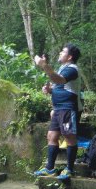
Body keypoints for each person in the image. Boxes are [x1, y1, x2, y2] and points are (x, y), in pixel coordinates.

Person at [34, 43, 81, 180]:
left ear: (70, 56)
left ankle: (70, 169)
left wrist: (43, 65)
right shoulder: (62, 68)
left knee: (69, 137)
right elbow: (59, 85)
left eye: (63, 51)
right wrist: (50, 90)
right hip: (58, 109)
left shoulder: (72, 69)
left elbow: (59, 80)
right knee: (51, 136)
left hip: (68, 108)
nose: (60, 53)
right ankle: (50, 168)